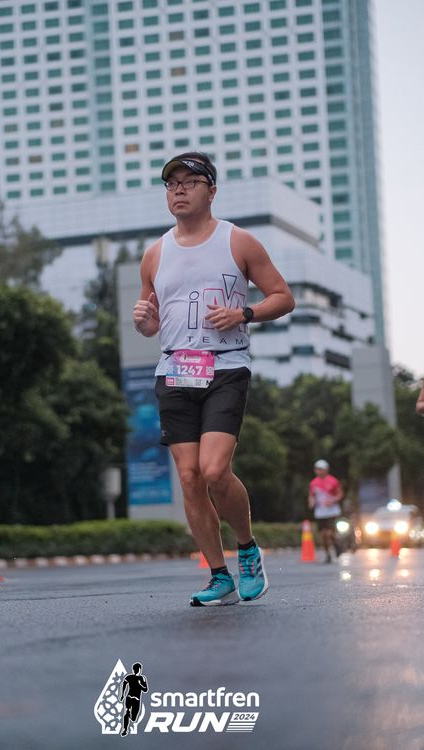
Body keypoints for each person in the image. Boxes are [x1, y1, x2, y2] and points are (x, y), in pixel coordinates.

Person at [132, 152, 295, 606]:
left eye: (190, 181)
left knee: (215, 469)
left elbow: (283, 297)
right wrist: (144, 320)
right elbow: (151, 324)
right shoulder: (154, 253)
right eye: (172, 184)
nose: (179, 190)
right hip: (174, 370)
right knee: (189, 477)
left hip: (225, 366)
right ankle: (219, 575)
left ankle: (247, 548)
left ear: (212, 191)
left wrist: (244, 313)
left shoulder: (238, 241)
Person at [308, 459, 344, 563]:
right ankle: (328, 554)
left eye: (320, 469)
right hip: (320, 512)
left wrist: (333, 500)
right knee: (323, 535)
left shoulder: (333, 481)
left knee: (329, 533)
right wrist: (311, 502)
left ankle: (337, 544)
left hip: (332, 511)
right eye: (317, 469)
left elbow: (340, 494)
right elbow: (311, 495)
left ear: (326, 470)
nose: (318, 471)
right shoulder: (313, 483)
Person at [120, 662, 148, 737]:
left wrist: (140, 684)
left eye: (137, 669)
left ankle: (129, 715)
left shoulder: (142, 678)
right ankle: (125, 729)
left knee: (134, 718)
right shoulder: (129, 677)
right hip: (129, 697)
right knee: (127, 711)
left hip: (136, 700)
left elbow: (145, 689)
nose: (136, 670)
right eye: (135, 669)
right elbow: (124, 684)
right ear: (134, 669)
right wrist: (122, 694)